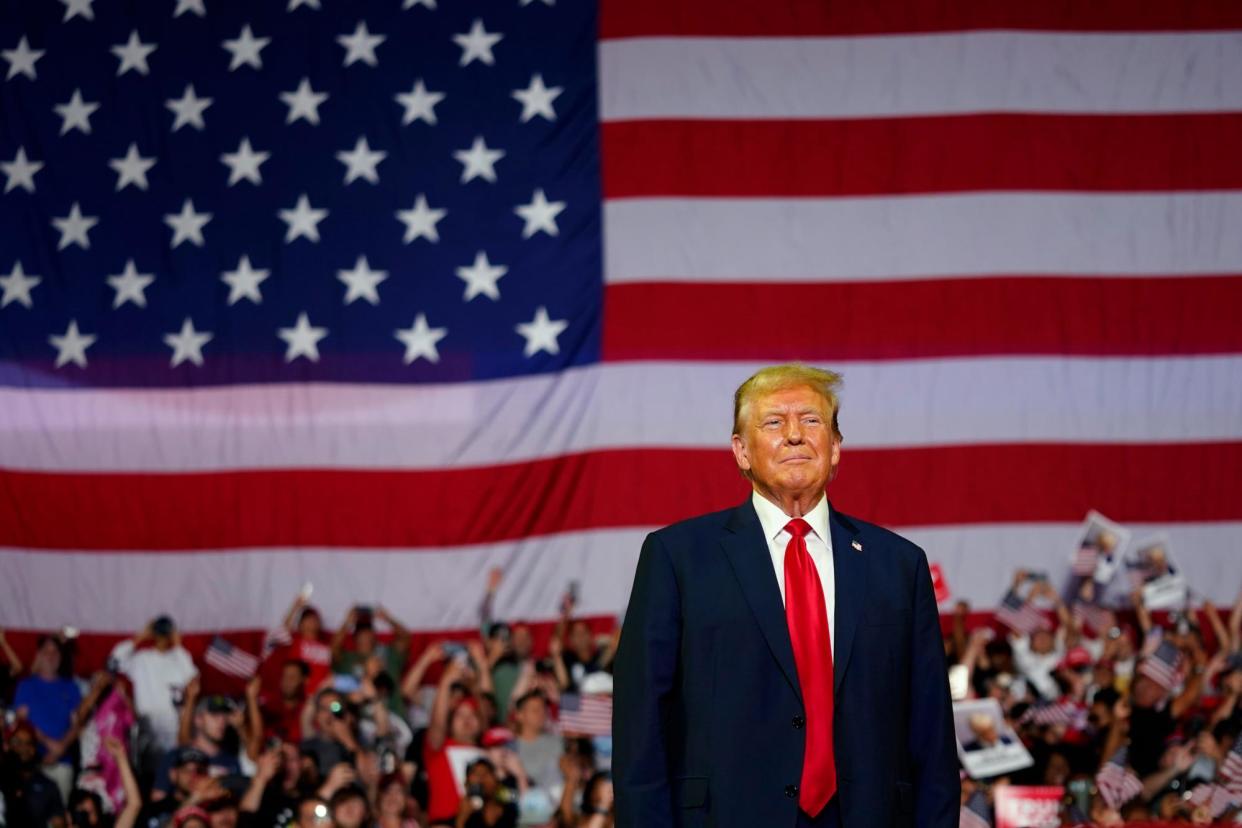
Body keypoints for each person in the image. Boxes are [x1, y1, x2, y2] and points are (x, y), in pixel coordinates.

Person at [613, 364, 959, 828]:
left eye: (812, 421)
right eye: (774, 422)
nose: (795, 435)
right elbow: (641, 727)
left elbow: (932, 733)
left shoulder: (898, 565)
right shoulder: (678, 558)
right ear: (741, 451)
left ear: (835, 448)